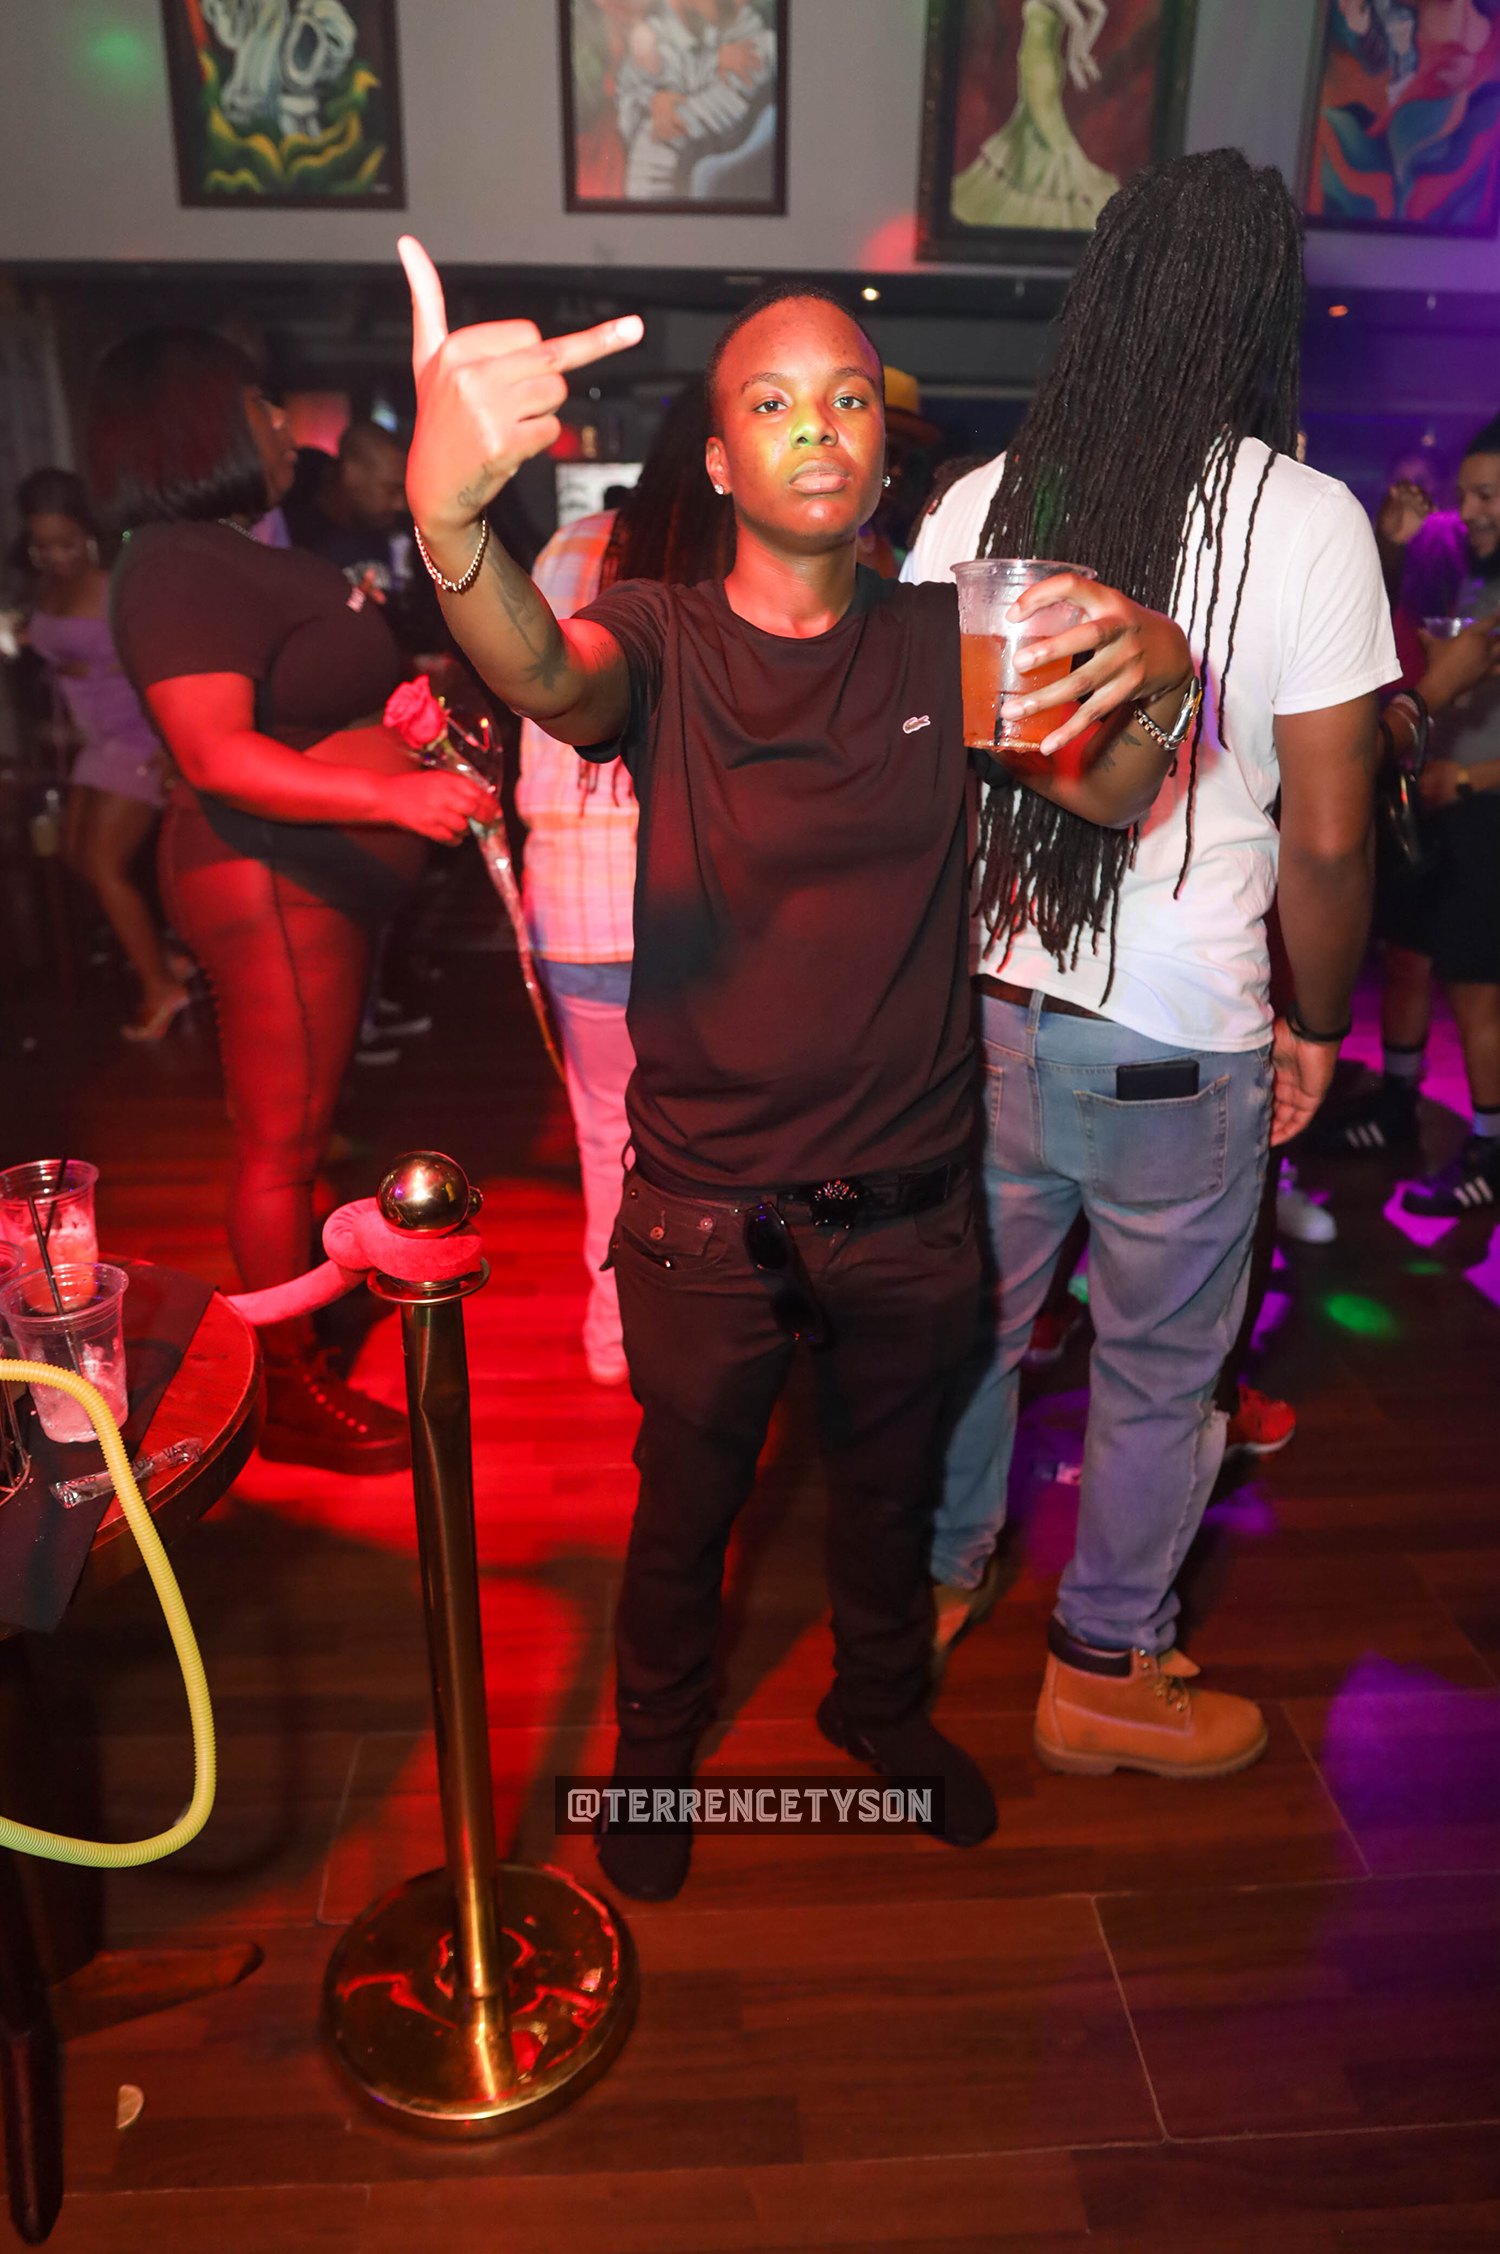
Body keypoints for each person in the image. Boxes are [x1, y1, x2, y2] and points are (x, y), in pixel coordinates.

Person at [396, 238, 1191, 1899]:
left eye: (848, 399)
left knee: (890, 1492)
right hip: (711, 1213)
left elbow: (1114, 790)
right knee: (688, 1505)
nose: (817, 425)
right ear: (717, 458)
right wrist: (450, 521)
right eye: (773, 402)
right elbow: (542, 670)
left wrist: (1164, 680)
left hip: (911, 1201)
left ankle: (877, 1708)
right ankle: (654, 1748)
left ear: (885, 448)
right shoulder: (661, 634)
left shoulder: (948, 640)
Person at [905, 149, 1399, 1779]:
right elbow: (1331, 839)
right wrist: (1319, 1023)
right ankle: (1105, 1667)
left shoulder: (978, 504)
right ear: (1261, 316)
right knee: (1162, 1367)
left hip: (985, 1009)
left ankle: (935, 1578)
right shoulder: (1309, 521)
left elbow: (914, 768)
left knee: (973, 1323)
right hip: (1180, 1033)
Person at [93, 326, 495, 1474]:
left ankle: (300, 1338)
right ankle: (287, 1386)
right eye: (264, 407)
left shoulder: (225, 552)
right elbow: (215, 753)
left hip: (303, 879)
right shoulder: (176, 563)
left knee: (301, 1129)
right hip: (268, 878)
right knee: (279, 1145)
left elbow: (297, 703)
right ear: (202, 424)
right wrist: (393, 796)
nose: (285, 427)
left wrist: (400, 713)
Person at [517, 387, 732, 1387]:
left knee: (607, 1129)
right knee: (718, 1137)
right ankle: (705, 1339)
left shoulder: (570, 548)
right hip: (706, 903)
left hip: (577, 897)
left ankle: (614, 1336)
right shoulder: (742, 570)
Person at [1310, 417, 1500, 1213]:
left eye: (1487, 496)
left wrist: (1471, 779)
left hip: (1481, 807)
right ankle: (1395, 1107)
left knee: (1476, 987)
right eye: (1467, 495)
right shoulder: (1470, 574)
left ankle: (1491, 1152)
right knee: (1408, 958)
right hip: (1438, 803)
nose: (1471, 511)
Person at [17, 468, 187, 1040]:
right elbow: (57, 650)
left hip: (139, 734)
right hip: (96, 738)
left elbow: (166, 663)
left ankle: (161, 988)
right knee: (73, 855)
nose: (55, 556)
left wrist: (174, 746)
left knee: (105, 864)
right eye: (42, 545)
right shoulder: (46, 586)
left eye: (66, 543)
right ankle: (164, 958)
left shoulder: (117, 586)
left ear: (88, 532)